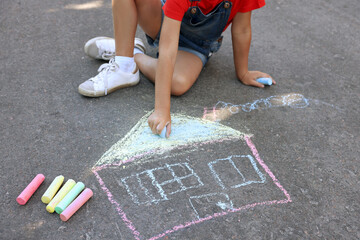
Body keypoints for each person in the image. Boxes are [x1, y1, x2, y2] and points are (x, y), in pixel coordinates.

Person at [78, 0, 275, 138]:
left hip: (195, 46)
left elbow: (242, 29)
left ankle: (132, 52)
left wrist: (243, 72)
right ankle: (124, 64)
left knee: (178, 83)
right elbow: (168, 47)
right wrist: (162, 109)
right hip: (164, 24)